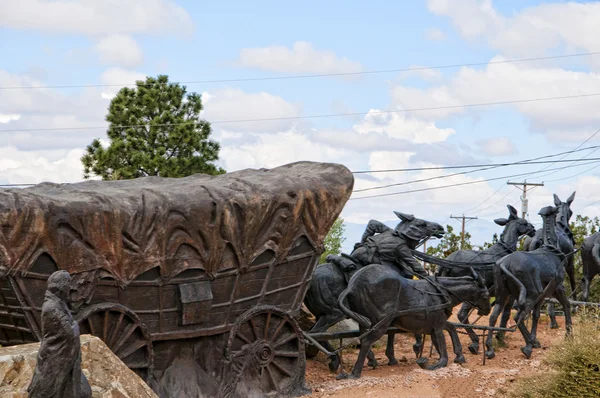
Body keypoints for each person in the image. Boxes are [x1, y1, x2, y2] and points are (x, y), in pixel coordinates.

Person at [27, 270, 92, 398]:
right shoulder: (52, 308)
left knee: (83, 391)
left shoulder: (58, 304)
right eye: (68, 284)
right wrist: (76, 326)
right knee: (47, 390)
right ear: (61, 287)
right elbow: (70, 332)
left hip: (64, 358)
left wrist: (74, 326)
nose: (70, 288)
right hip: (55, 357)